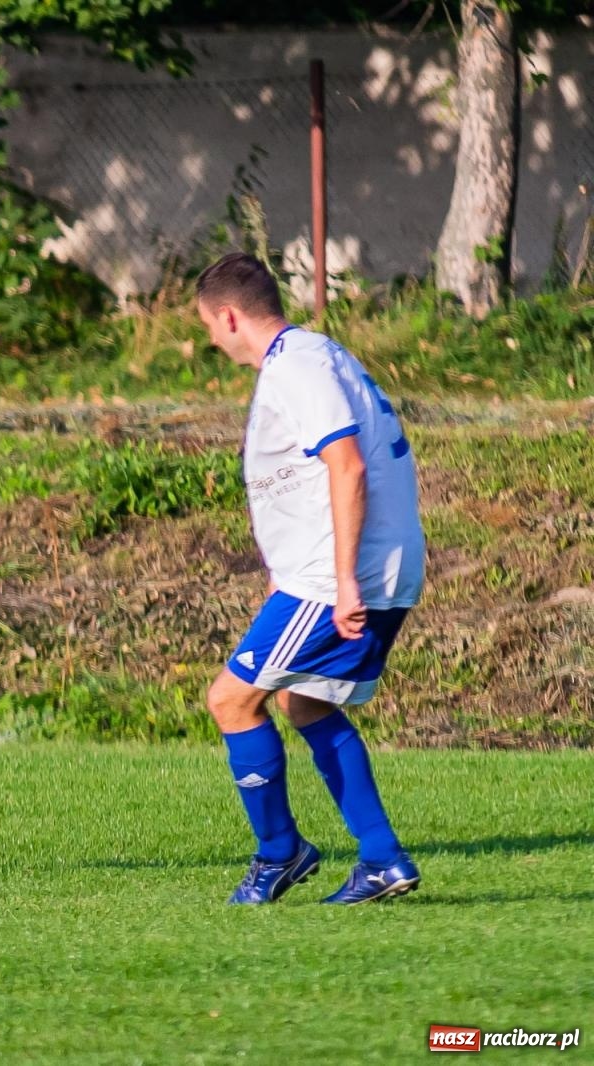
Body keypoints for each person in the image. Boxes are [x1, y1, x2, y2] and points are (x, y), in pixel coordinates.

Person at [195, 252, 425, 906]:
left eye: (210, 325)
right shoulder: (315, 355)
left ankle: (279, 854)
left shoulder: (295, 367)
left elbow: (345, 467)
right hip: (335, 569)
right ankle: (381, 858)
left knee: (231, 701)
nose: (211, 338)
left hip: (336, 575)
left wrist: (343, 580)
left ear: (230, 316)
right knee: (305, 701)